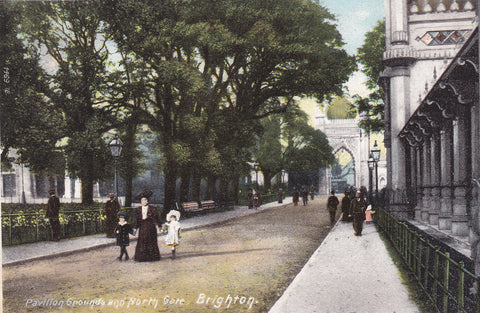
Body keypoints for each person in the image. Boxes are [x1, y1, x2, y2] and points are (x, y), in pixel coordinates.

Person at [134, 190, 162, 262]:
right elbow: (137, 219)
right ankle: (142, 257)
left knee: (151, 240)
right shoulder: (138, 209)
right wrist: (135, 228)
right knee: (142, 240)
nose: (144, 202)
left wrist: (160, 226)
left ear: (147, 201)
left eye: (145, 200)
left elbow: (157, 217)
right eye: (142, 200)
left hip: (150, 226)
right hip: (142, 226)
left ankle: (152, 257)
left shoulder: (152, 208)